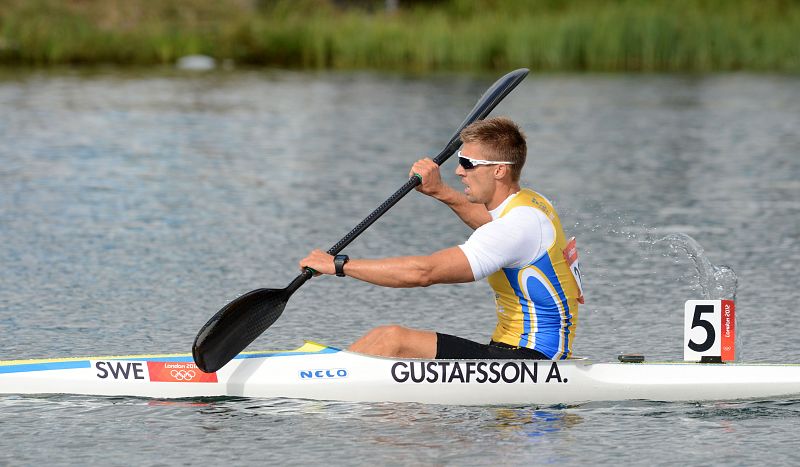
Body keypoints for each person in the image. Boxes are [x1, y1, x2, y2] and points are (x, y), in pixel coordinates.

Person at [300, 117, 583, 360]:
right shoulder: (530, 203)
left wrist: (338, 265)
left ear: (499, 170)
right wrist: (439, 191)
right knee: (387, 348)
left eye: (468, 163)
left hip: (530, 360)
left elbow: (424, 273)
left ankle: (318, 383)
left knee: (393, 340)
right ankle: (328, 377)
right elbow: (487, 224)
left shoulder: (516, 227)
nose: (459, 170)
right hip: (513, 353)